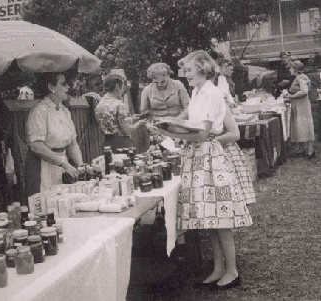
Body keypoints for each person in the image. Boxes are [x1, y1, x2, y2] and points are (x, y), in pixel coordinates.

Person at [151, 50, 252, 290]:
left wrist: (168, 131)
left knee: (221, 218)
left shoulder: (211, 92)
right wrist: (174, 126)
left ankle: (232, 271)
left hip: (210, 157)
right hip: (197, 157)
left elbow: (204, 133)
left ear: (203, 68)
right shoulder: (197, 92)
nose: (185, 75)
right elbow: (192, 124)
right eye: (184, 71)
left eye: (188, 70)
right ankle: (218, 268)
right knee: (210, 219)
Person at [25, 72, 83, 195]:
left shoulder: (64, 110)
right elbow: (36, 146)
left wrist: (81, 166)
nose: (68, 87)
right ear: (51, 87)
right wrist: (63, 164)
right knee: (45, 206)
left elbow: (73, 143)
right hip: (41, 166)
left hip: (62, 163)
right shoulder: (40, 110)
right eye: (63, 84)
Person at [95, 74, 147, 151]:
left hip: (107, 143)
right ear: (117, 87)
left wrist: (131, 118)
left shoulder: (99, 104)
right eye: (122, 88)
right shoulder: (119, 105)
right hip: (122, 144)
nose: (123, 91)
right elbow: (128, 130)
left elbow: (113, 122)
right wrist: (139, 123)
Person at [285, 60, 315, 159]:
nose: (289, 69)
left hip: (303, 106)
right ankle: (301, 149)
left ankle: (310, 151)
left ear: (295, 69)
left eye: (291, 68)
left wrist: (291, 96)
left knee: (306, 126)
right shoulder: (297, 78)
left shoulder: (302, 78)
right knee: (299, 127)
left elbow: (304, 91)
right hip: (298, 105)